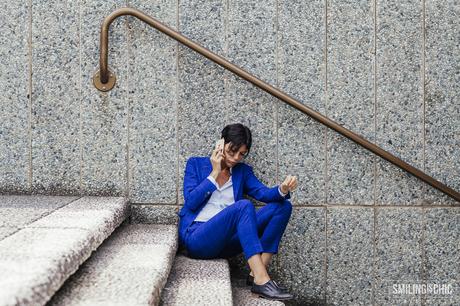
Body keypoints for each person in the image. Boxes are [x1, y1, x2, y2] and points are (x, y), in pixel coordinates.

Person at [177, 123, 298, 301]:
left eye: (241, 154)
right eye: (231, 151)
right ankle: (263, 280)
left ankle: (256, 274)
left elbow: (263, 193)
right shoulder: (195, 164)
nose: (235, 158)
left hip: (228, 243)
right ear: (221, 144)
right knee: (243, 206)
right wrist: (215, 172)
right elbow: (192, 201)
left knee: (282, 206)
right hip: (198, 238)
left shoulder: (242, 171)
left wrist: (283, 189)